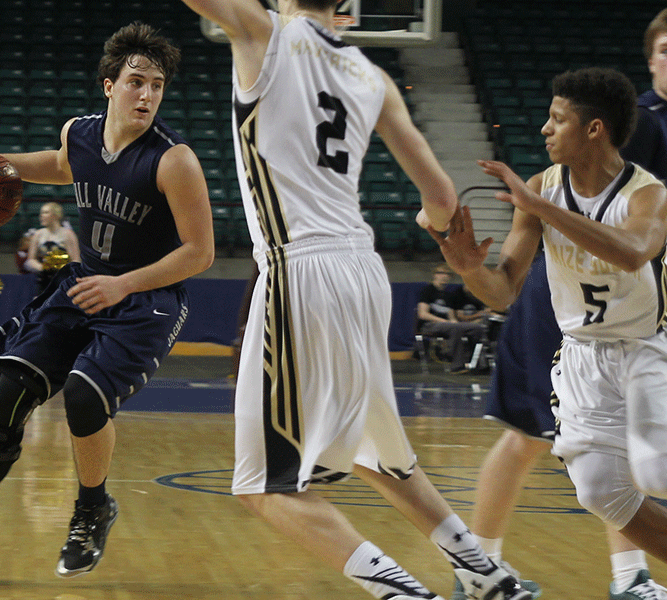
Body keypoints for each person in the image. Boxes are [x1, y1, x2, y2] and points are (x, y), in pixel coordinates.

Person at [177, 2, 531, 599]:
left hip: (301, 268)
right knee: (379, 451)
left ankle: (406, 595)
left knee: (262, 486)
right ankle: (486, 572)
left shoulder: (264, 30)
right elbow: (441, 196)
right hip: (364, 271)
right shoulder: (374, 76)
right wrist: (435, 223)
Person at [0, 22, 214, 581]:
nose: (147, 95)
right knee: (4, 400)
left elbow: (200, 253)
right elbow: (64, 165)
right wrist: (2, 164)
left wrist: (124, 284)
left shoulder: (174, 161)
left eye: (158, 86)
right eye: (137, 82)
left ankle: (92, 508)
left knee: (85, 397)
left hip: (147, 298)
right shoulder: (82, 134)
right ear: (109, 86)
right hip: (85, 284)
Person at [428, 67, 667, 599]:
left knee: (654, 472)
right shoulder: (542, 187)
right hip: (582, 355)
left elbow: (631, 254)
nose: (544, 129)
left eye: (558, 119)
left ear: (594, 129)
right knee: (601, 491)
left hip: (646, 351)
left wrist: (541, 208)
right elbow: (506, 288)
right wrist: (468, 266)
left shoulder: (648, 194)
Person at [417, 264, 486, 373]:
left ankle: (478, 364)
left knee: (477, 328)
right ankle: (457, 366)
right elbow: (423, 314)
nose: (444, 276)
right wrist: (446, 322)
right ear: (435, 275)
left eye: (447, 274)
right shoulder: (427, 290)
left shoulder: (448, 295)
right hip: (429, 325)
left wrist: (453, 321)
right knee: (454, 328)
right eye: (441, 273)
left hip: (447, 325)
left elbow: (451, 315)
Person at [23, 202, 81, 294]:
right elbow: (30, 260)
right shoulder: (38, 234)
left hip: (64, 281)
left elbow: (76, 260)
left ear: (56, 215)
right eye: (41, 213)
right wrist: (43, 267)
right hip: (43, 281)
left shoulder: (68, 234)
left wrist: (61, 269)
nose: (41, 216)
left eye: (45, 212)